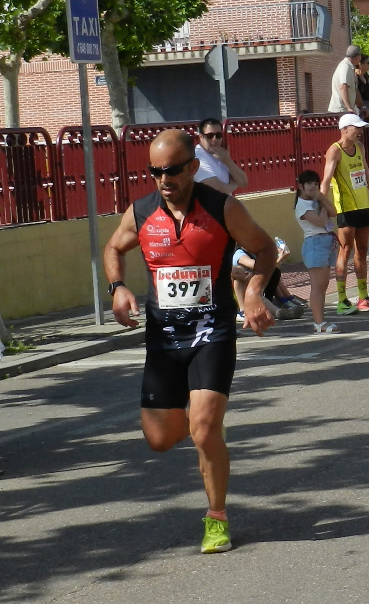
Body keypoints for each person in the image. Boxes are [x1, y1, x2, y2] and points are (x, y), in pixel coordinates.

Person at [102, 129, 278, 554]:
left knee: (203, 430)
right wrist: (118, 287)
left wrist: (253, 294)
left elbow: (265, 249)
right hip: (163, 339)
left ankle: (216, 518)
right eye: (155, 172)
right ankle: (201, 428)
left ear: (194, 167)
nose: (164, 179)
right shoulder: (141, 212)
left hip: (211, 333)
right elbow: (113, 248)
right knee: (160, 439)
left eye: (173, 171)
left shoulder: (222, 207)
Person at [321, 112, 369, 315]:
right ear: (344, 129)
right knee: (345, 250)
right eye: (356, 128)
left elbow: (366, 175)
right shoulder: (335, 150)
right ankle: (342, 300)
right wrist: (322, 208)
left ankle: (363, 297)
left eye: (361, 128)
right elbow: (326, 181)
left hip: (362, 206)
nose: (360, 131)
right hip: (345, 208)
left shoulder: (360, 148)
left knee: (363, 250)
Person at [292, 170, 338, 334]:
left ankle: (321, 320)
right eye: (309, 183)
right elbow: (320, 221)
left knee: (323, 285)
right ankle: (319, 323)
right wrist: (322, 203)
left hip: (327, 241)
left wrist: (323, 199)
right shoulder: (302, 205)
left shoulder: (317, 200)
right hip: (315, 243)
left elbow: (334, 212)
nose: (313, 186)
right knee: (317, 286)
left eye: (316, 183)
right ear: (301, 186)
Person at [193, 118, 248, 195]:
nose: (214, 139)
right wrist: (234, 185)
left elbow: (243, 182)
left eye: (218, 135)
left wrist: (228, 161)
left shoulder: (221, 155)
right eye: (210, 136)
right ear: (201, 137)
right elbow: (218, 189)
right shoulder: (198, 157)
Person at [330, 44, 363, 113]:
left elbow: (354, 90)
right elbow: (343, 86)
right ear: (358, 56)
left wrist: (362, 107)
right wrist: (349, 107)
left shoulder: (349, 67)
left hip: (344, 110)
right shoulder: (345, 66)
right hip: (340, 110)